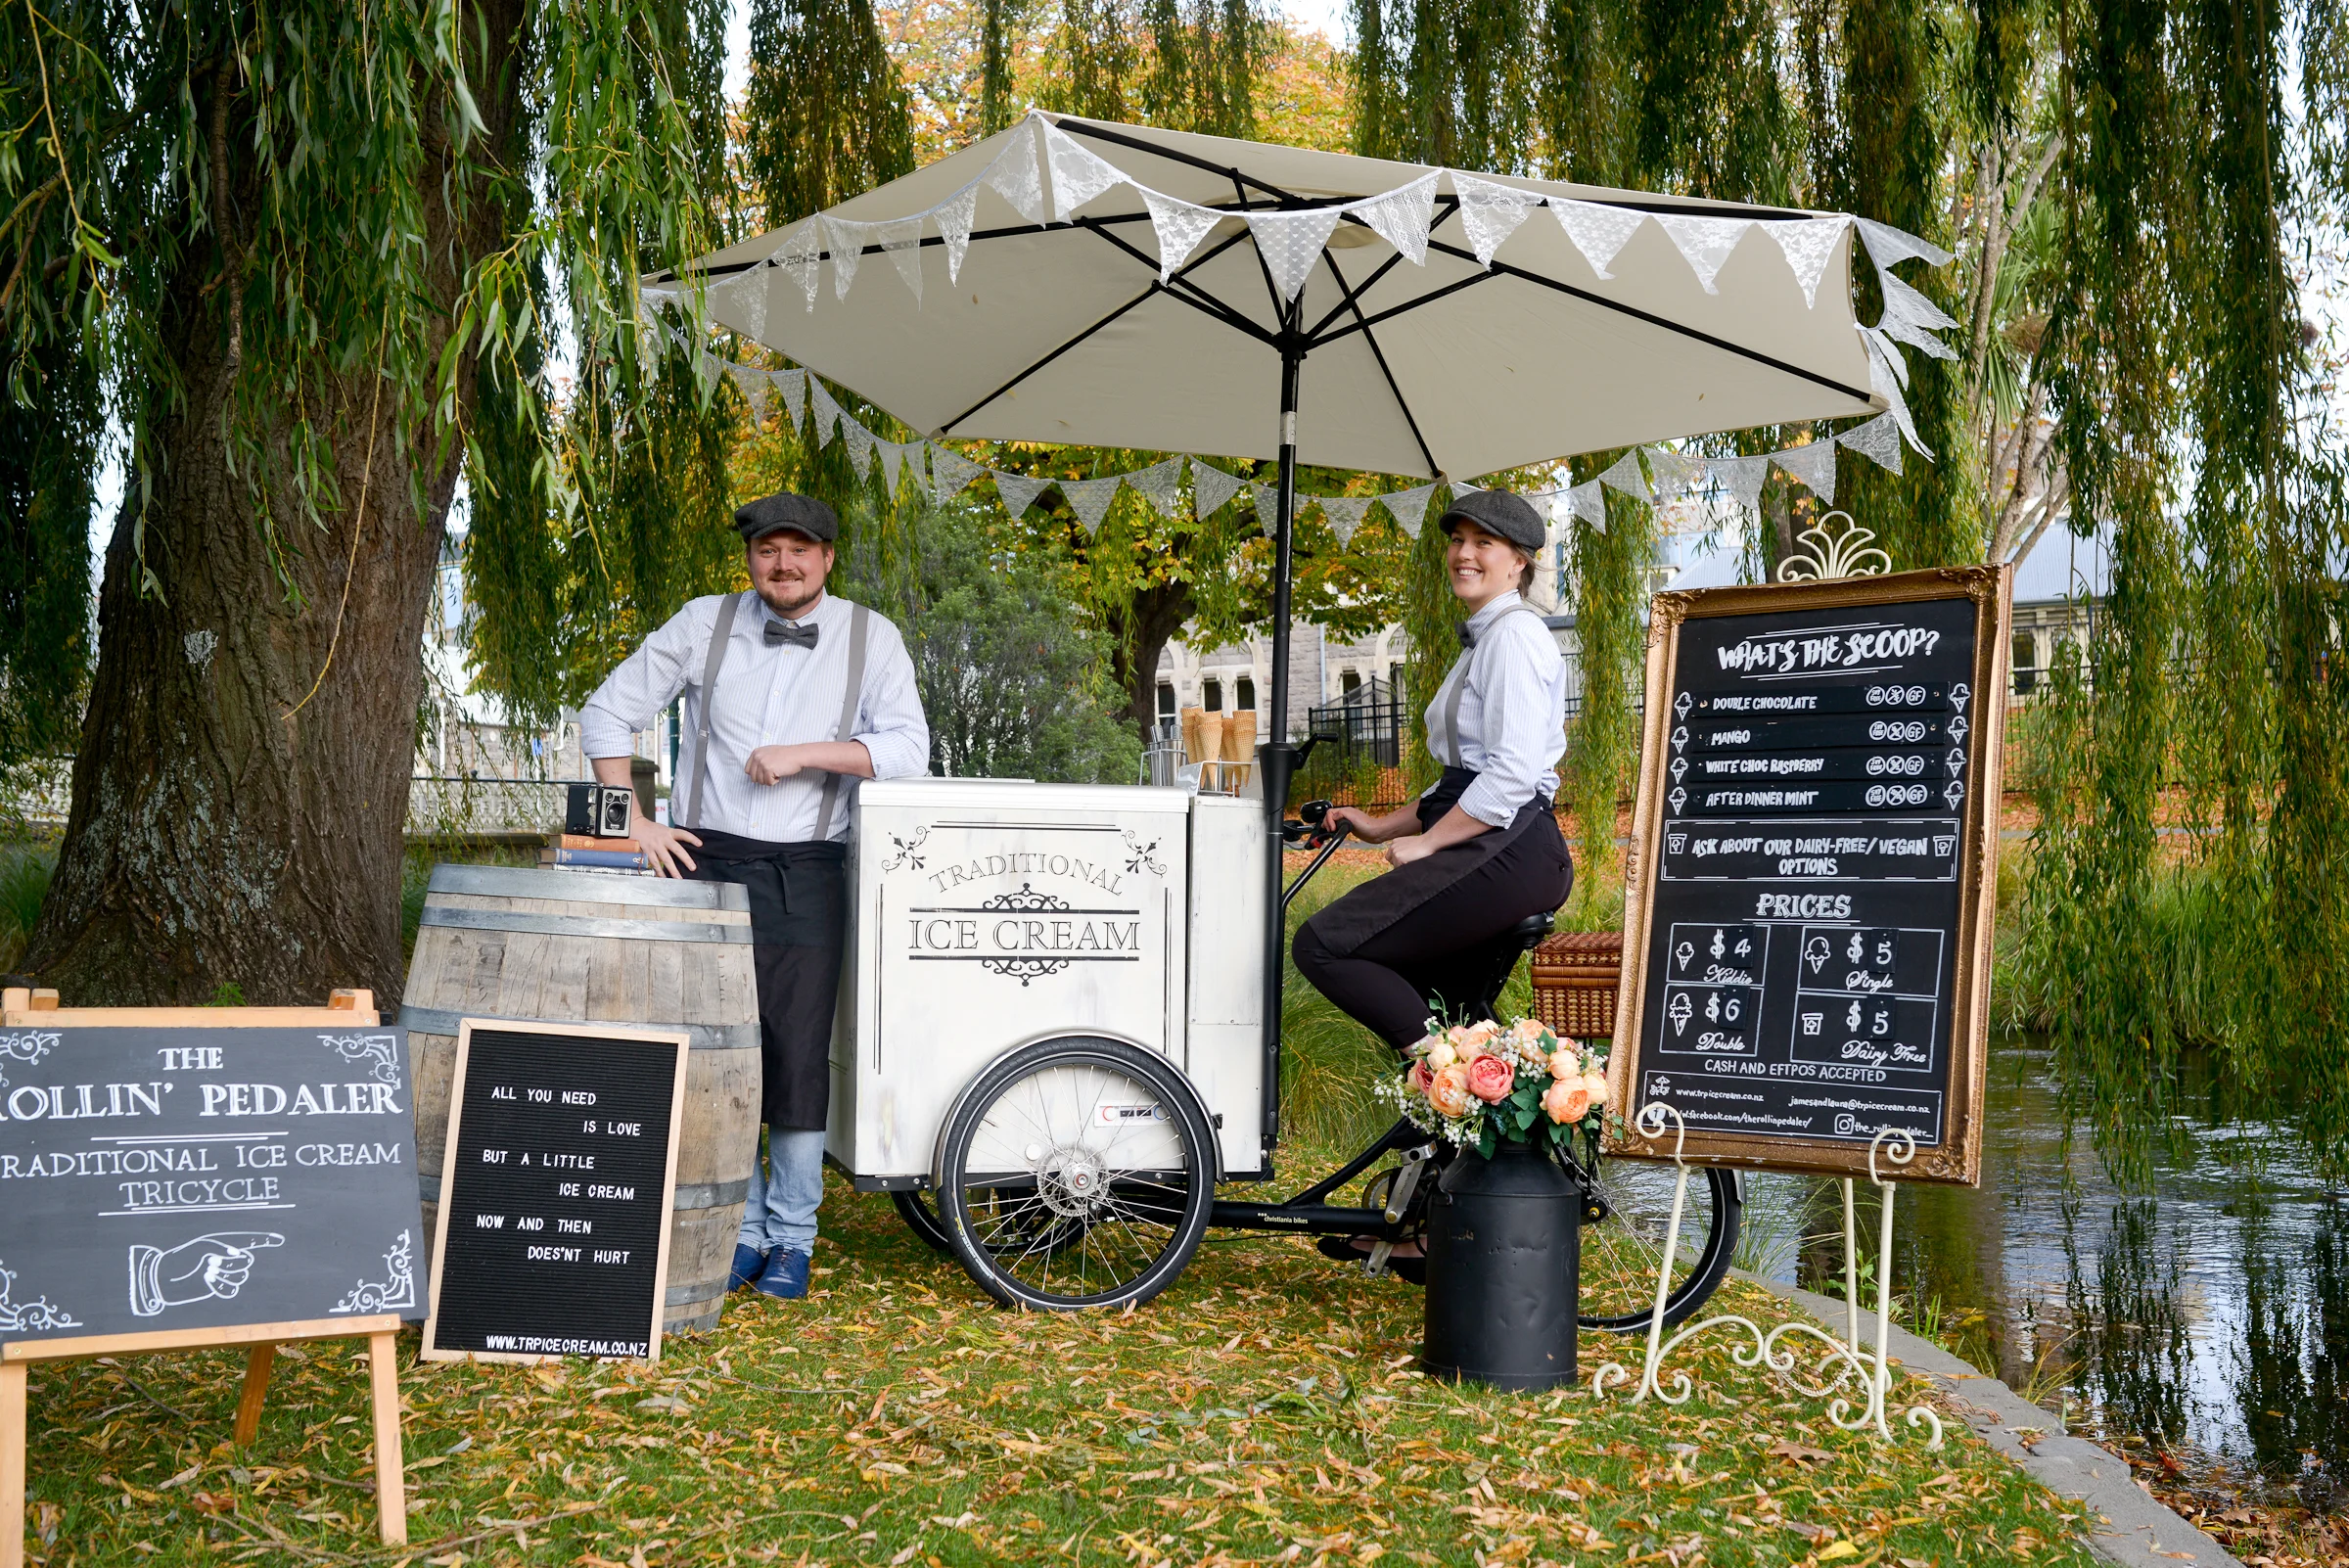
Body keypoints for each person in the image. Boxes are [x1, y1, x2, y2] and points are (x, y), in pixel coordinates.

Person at [579, 492, 929, 1300]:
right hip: (705, 863)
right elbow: (605, 714)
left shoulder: (871, 637)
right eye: (769, 550)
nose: (784, 564)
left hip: (810, 869)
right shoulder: (703, 622)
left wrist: (806, 753)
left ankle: (794, 1237)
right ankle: (740, 1228)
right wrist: (634, 824)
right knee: (715, 1054)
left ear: (828, 558)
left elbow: (910, 749)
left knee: (798, 1057)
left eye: (800, 550)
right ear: (750, 559)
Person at [1292, 489, 1573, 1266]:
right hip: (1496, 842)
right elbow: (1461, 777)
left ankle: (1457, 1082)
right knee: (1450, 1014)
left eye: (1485, 543)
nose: (1464, 554)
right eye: (1457, 540)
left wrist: (1429, 845)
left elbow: (1510, 775)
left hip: (1509, 848)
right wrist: (1382, 825)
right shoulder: (1485, 640)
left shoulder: (1515, 638)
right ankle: (1435, 1216)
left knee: (1326, 945)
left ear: (1520, 562)